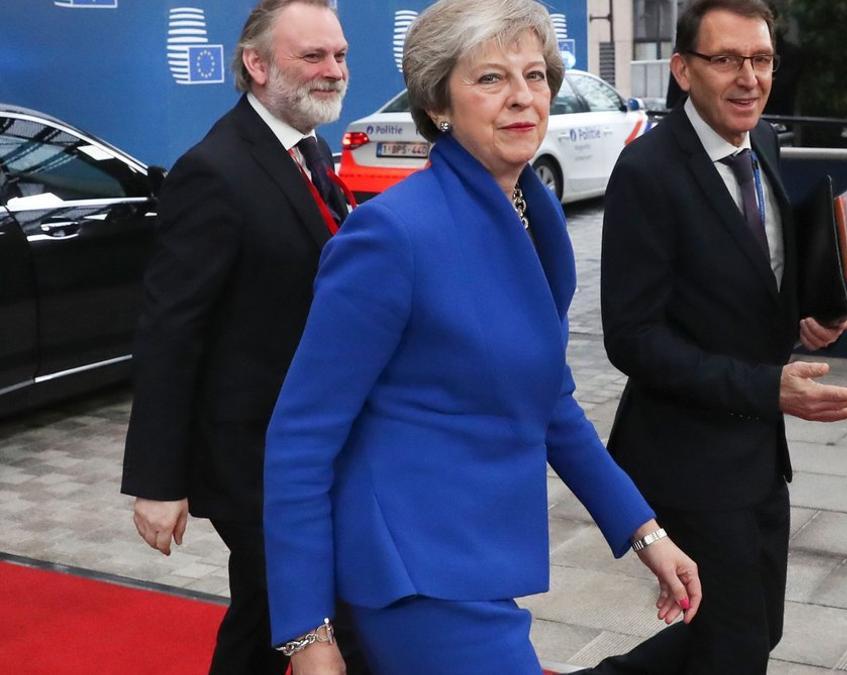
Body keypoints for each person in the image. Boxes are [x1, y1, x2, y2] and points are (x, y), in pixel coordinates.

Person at [259, 0, 702, 673]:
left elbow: (549, 398)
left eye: (535, 74)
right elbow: (301, 435)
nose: (522, 97)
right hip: (412, 565)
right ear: (438, 104)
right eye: (491, 79)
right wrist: (307, 632)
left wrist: (645, 531)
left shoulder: (537, 212)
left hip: (481, 550)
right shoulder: (391, 235)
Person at [592, 0, 847, 673]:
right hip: (685, 456)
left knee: (750, 629)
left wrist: (814, 310)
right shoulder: (646, 173)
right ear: (684, 70)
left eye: (762, 59)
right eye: (727, 59)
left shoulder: (765, 141)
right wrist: (765, 386)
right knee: (736, 641)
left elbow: (756, 271)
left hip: (758, 449)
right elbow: (629, 337)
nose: (749, 76)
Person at [119, 1, 365, 672]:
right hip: (251, 459)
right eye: (312, 57)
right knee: (324, 618)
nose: (334, 70)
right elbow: (171, 330)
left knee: (263, 615)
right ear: (256, 65)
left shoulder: (305, 152)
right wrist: (159, 479)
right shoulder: (215, 170)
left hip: (310, 446)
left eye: (339, 55)